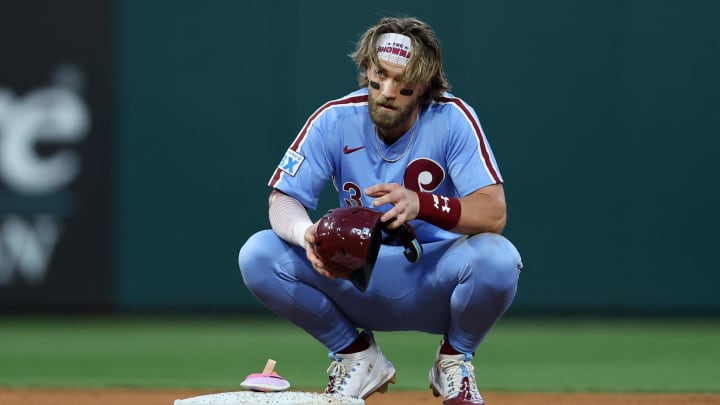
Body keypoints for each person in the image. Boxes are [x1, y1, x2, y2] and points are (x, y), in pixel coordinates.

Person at [238, 16, 523, 405]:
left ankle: (454, 361)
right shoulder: (335, 119)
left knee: (499, 258)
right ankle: (355, 355)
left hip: (434, 276)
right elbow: (283, 199)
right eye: (380, 76)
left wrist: (420, 203)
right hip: (357, 276)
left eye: (402, 82)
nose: (387, 91)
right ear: (367, 69)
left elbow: (493, 213)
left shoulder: (452, 118)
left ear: (424, 85)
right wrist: (305, 232)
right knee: (259, 253)